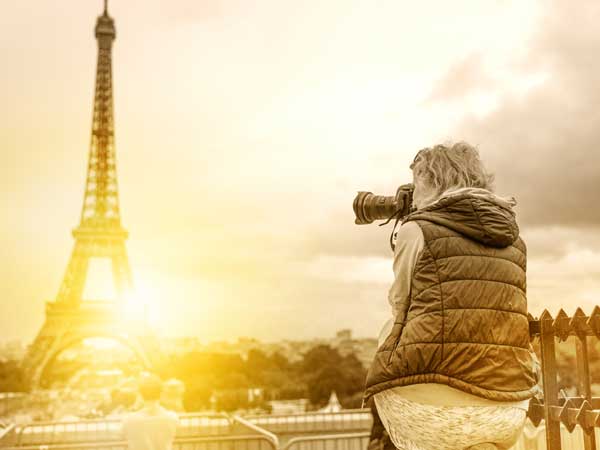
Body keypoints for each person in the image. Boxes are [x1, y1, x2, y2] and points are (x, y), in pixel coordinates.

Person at [363, 142, 539, 450]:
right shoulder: (515, 240)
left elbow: (400, 306)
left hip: (433, 410)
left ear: (431, 181)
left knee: (386, 337)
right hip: (508, 408)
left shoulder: (416, 230)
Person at [122, 373, 179, 450]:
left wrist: (135, 407)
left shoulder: (128, 419)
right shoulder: (172, 417)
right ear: (161, 393)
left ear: (140, 395)